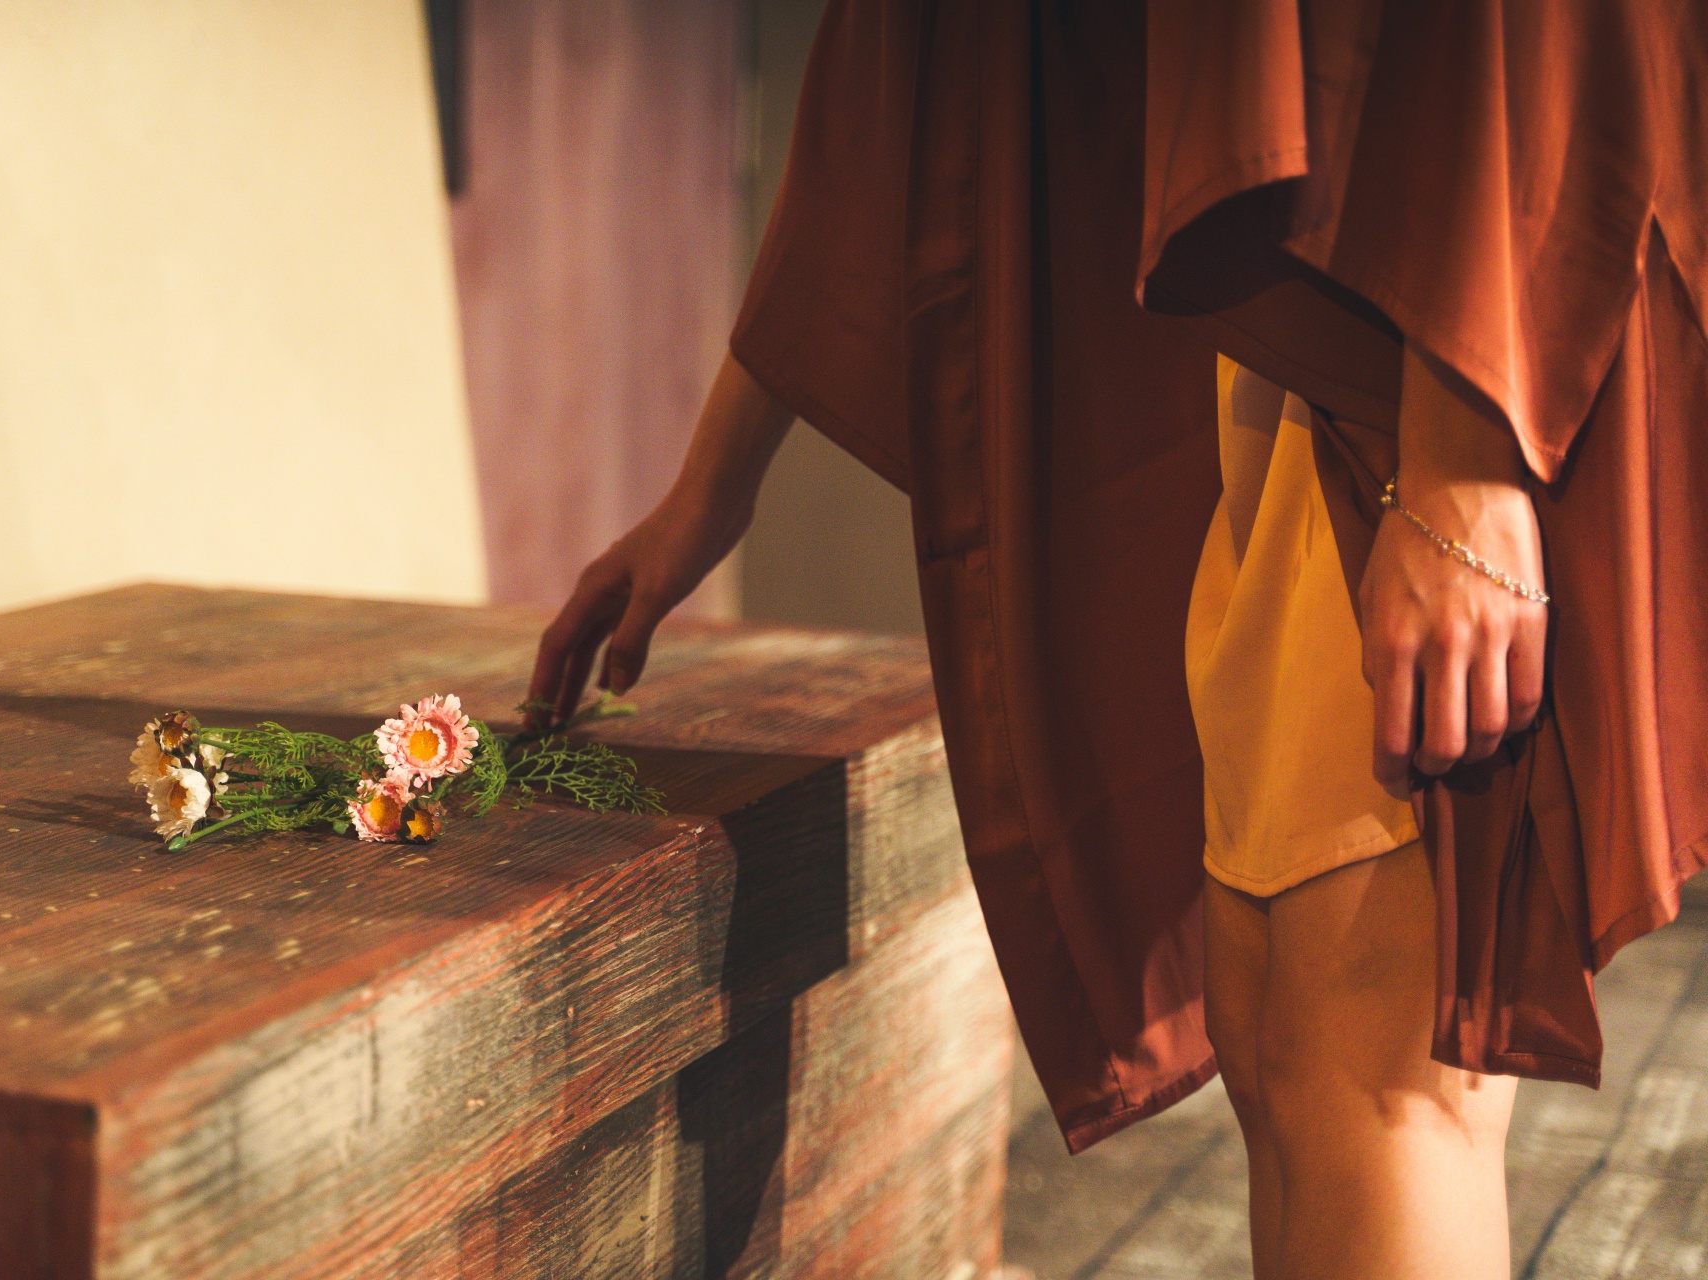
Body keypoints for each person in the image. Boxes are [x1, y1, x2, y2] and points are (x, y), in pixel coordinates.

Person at [525, 3, 1708, 1276]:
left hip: (1435, 313)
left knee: (1374, 1066)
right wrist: (710, 485)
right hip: (1294, 321)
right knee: (1280, 1040)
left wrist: (1468, 452)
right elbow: (903, 54)